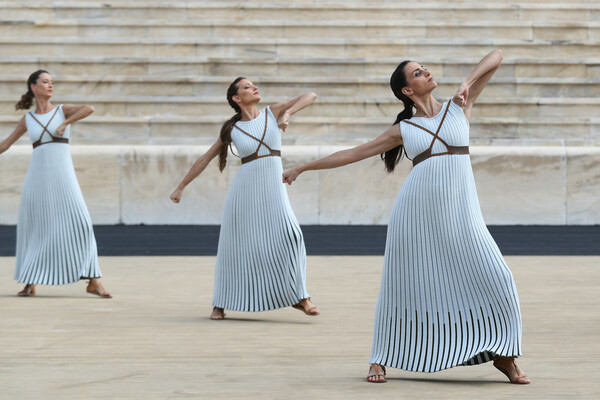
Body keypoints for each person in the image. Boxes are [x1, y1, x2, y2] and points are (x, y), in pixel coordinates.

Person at [282, 50, 529, 384]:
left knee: (499, 277)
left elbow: (497, 56)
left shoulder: (459, 107)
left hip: (463, 215)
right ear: (407, 91)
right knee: (403, 287)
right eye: (416, 73)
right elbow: (352, 153)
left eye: (424, 68)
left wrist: (467, 84)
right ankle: (380, 357)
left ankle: (504, 354)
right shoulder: (404, 129)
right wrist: (302, 167)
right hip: (416, 217)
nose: (425, 72)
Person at [170, 77, 319, 320]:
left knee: (292, 235)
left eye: (253, 84)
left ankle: (300, 296)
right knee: (234, 247)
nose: (254, 87)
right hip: (244, 190)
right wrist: (180, 187)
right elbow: (205, 159)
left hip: (273, 188)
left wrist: (288, 113)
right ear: (236, 99)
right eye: (247, 87)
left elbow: (311, 95)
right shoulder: (232, 128)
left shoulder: (272, 112)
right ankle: (220, 303)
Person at [0, 70, 111, 298]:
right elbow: (5, 144)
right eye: (45, 82)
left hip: (64, 175)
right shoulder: (28, 119)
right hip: (37, 178)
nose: (50, 85)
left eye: (52, 82)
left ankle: (93, 280)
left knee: (81, 222)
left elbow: (89, 108)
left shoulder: (61, 110)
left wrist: (65, 123)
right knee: (35, 226)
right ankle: (30, 282)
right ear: (33, 86)